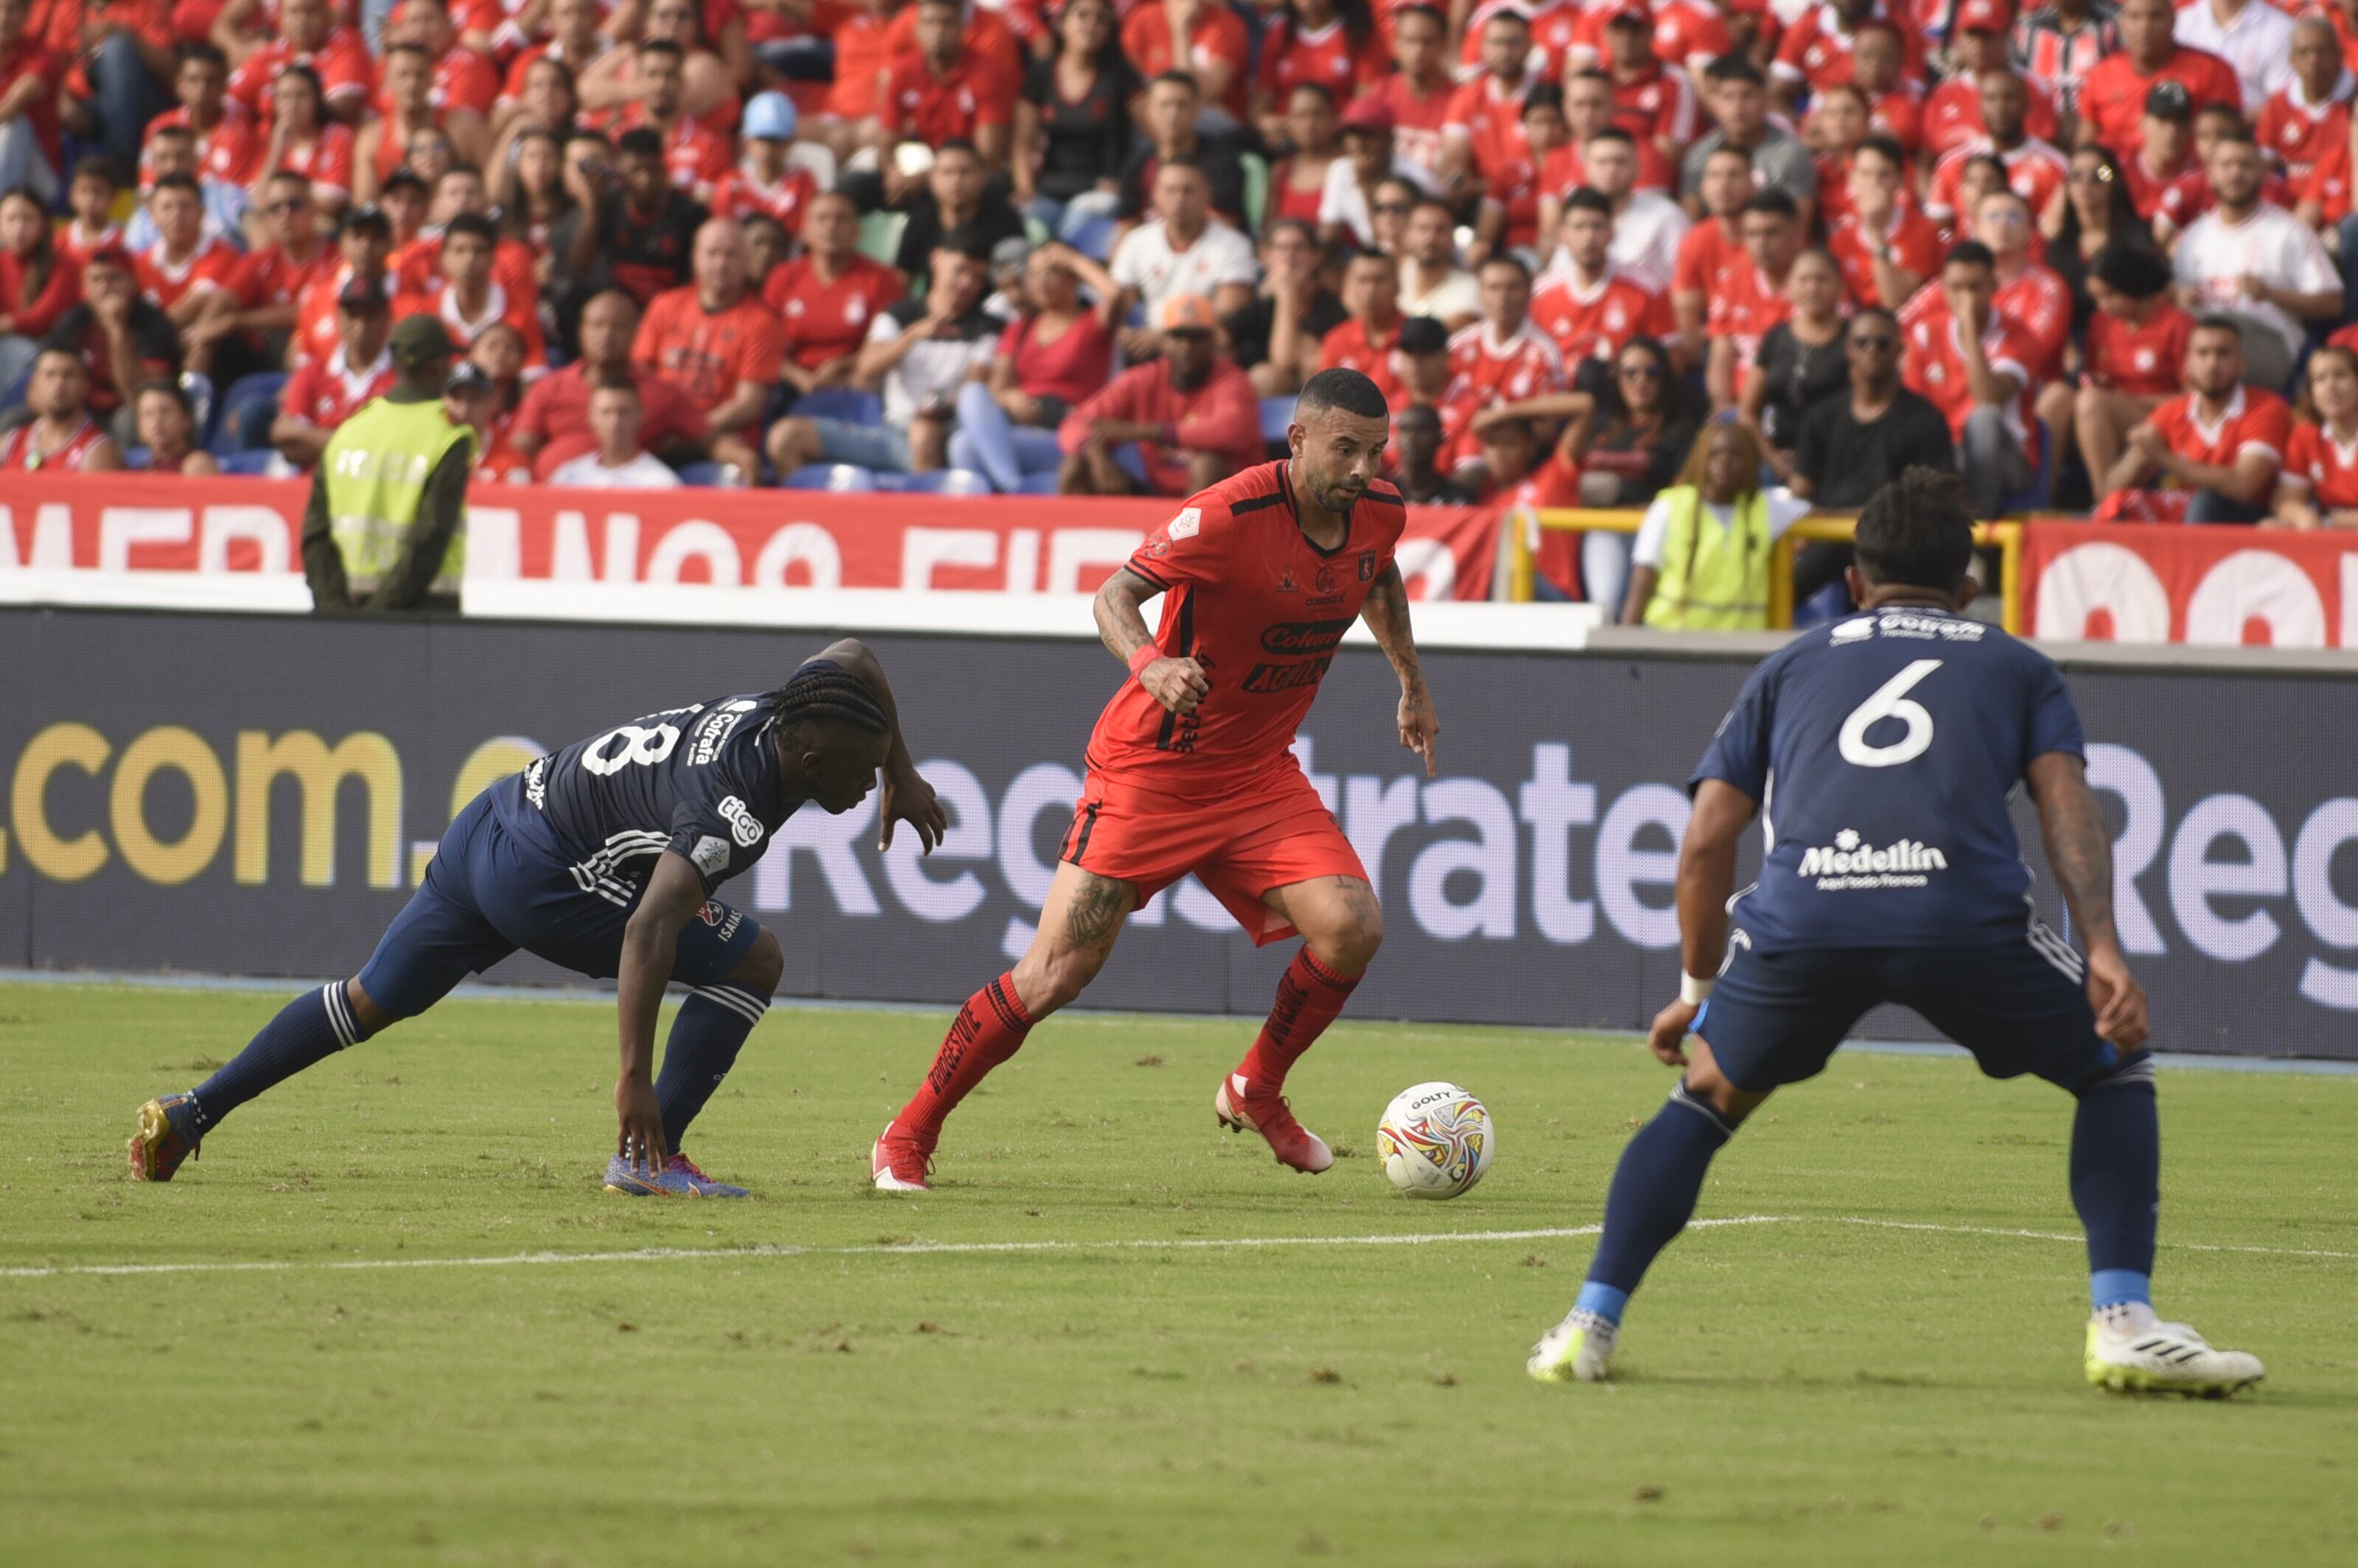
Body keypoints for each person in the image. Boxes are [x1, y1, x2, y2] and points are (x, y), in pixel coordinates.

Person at [1525, 466, 2265, 1399]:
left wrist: (1695, 994)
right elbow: (2067, 810)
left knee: (1705, 1097)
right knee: (2112, 1065)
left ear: (1852, 584)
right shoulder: (2013, 662)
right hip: (1957, 914)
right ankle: (2122, 1322)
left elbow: (1705, 842)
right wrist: (2105, 951)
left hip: (1805, 916)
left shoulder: (1788, 663)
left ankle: (1587, 1324)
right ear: (1967, 587)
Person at [872, 368, 1437, 1192]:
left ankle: (1255, 1088)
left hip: (1254, 776)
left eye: (1374, 452)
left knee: (1352, 925)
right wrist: (1151, 664)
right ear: (1298, 439)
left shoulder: (1378, 511)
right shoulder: (1227, 513)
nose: (1361, 469)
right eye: (1345, 449)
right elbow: (1112, 596)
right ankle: (908, 1130)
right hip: (1153, 769)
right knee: (1054, 973)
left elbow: (1376, 574)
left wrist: (1410, 681)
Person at [130, 644, 946, 1199]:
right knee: (755, 959)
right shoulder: (730, 807)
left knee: (370, 997)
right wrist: (631, 1079)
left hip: (496, 815)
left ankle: (191, 1111)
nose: (867, 784)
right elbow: (649, 930)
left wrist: (901, 769)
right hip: (547, 876)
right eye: (864, 770)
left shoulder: (789, 707)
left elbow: (854, 655)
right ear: (810, 762)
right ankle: (649, 1160)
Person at [766, 233, 999, 479]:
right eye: (960, 270)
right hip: (890, 433)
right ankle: (803, 515)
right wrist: (912, 337)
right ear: (937, 259)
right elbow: (868, 366)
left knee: (924, 434)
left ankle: (924, 516)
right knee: (786, 436)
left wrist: (942, 410)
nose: (966, 284)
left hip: (946, 435)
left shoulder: (988, 328)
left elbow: (976, 384)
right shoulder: (899, 314)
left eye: (977, 277)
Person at [300, 316, 476, 615]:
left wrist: (335, 611)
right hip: (421, 614)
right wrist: (379, 616)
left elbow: (315, 534)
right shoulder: (448, 436)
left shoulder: (349, 431)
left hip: (345, 611)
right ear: (437, 367)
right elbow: (429, 539)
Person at [1788, 309, 1957, 607]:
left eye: (1882, 343)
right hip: (1826, 536)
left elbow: (1931, 504)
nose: (1871, 350)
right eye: (1862, 342)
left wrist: (1835, 518)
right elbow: (1800, 496)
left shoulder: (1925, 420)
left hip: (1893, 541)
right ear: (1847, 349)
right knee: (1789, 572)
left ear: (1899, 350)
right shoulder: (1820, 416)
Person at [2172, 129, 2341, 393]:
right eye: (2226, 165)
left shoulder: (2290, 231)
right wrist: (2180, 297)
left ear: (2262, 173)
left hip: (2267, 343)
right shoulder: (2194, 236)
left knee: (2208, 346)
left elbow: (2333, 302)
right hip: (2206, 338)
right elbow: (2178, 298)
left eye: (2245, 165)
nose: (2236, 173)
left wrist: (2270, 294)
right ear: (2210, 175)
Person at [950, 242, 1117, 491]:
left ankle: (1011, 488)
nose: (1042, 282)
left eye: (1052, 272)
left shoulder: (1092, 323)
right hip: (1022, 425)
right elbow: (996, 390)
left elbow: (1118, 295)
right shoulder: (1019, 329)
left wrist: (1073, 260)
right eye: (1034, 274)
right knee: (972, 395)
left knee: (964, 446)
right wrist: (1010, 400)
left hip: (1069, 432)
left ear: (1073, 280)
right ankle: (1014, 486)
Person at [1055, 293, 1261, 495]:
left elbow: (1230, 431)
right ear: (1163, 341)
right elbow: (1075, 423)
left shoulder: (1233, 380)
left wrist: (1142, 431)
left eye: (1197, 337)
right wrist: (1094, 452)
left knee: (1207, 464)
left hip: (1230, 502)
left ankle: (1193, 529)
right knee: (1075, 466)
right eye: (1178, 336)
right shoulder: (1144, 378)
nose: (1187, 346)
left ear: (1213, 341)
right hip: (1159, 491)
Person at [515, 288, 727, 481]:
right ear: (582, 331)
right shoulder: (549, 386)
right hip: (552, 501)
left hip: (628, 497)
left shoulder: (665, 393)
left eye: (618, 326)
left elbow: (713, 441)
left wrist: (744, 459)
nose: (606, 335)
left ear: (636, 332)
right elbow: (519, 449)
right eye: (597, 325)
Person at [1620, 419, 1811, 629]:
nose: (1724, 461)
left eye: (1735, 454)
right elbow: (1640, 588)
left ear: (1751, 461)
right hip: (1672, 643)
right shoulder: (1669, 507)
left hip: (1741, 648)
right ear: (1700, 458)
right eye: (1714, 453)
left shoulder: (1767, 508)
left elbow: (1822, 516)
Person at [2098, 315, 2290, 522]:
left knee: (2204, 502)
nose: (2212, 363)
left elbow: (2243, 486)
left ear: (2241, 364)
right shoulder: (2170, 411)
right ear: (2187, 365)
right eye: (2203, 353)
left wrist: (2162, 457)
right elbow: (2109, 491)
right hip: (2186, 512)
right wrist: (2138, 458)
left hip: (2248, 517)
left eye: (2223, 353)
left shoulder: (2267, 407)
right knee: (2119, 503)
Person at [1900, 242, 2042, 519]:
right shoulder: (1925, 334)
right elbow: (1909, 408)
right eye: (1956, 288)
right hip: (1946, 453)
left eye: (1975, 288)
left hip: (2008, 459)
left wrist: (1970, 335)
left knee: (1984, 418)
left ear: (1993, 286)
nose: (1966, 298)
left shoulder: (2017, 335)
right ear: (1943, 288)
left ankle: (1974, 535)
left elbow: (1987, 397)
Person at [631, 217, 782, 457]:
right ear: (695, 258)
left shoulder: (763, 322)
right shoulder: (664, 306)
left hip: (721, 435)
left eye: (731, 255)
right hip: (661, 430)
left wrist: (689, 430)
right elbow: (640, 376)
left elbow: (748, 404)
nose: (721, 264)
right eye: (712, 254)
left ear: (746, 262)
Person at [2065, 241, 2194, 486]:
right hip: (2107, 417)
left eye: (2111, 295)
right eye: (2097, 298)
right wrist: (2099, 384)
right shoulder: (2101, 322)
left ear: (2133, 285)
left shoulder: (2177, 324)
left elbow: (2192, 400)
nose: (2103, 305)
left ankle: (2103, 497)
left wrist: (2127, 400)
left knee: (2091, 402)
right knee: (2073, 398)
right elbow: (2094, 374)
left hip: (2162, 419)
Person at [763, 190, 906, 401]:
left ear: (858, 232)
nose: (831, 226)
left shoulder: (881, 280)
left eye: (841, 219)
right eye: (822, 219)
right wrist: (801, 378)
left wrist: (844, 364)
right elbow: (764, 344)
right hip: (790, 381)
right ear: (805, 232)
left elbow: (887, 348)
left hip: (853, 379)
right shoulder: (783, 276)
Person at [1108, 157, 1256, 360]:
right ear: (1156, 196)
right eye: (1171, 190)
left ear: (1208, 195)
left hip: (1205, 347)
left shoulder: (1234, 245)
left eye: (1188, 191)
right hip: (1146, 347)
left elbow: (1228, 318)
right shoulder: (1136, 241)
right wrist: (1123, 332)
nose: (1179, 199)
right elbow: (1116, 303)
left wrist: (1165, 339)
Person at [1012, 0, 1135, 242]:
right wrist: (1025, 188)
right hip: (1049, 188)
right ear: (1062, 23)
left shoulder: (1120, 76)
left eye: (1101, 19)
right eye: (1082, 15)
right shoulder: (1041, 74)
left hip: (1100, 189)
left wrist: (1125, 182)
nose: (1090, 24)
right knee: (1026, 226)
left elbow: (1152, 133)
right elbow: (1022, 143)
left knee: (1078, 226)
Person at [2075, 0, 2244, 161]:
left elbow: (2231, 141)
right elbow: (2086, 146)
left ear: (2173, 20)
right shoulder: (2100, 75)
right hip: (2117, 179)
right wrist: (2107, 178)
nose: (2145, 26)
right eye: (2135, 17)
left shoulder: (2211, 70)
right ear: (2121, 23)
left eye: (2155, 16)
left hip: (2190, 178)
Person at [43, 244, 180, 424]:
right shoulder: (74, 320)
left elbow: (136, 394)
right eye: (95, 280)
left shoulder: (153, 323)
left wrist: (117, 329)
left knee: (127, 420)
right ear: (85, 285)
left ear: (132, 282)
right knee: (18, 417)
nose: (104, 288)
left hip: (133, 413)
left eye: (113, 279)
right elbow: (40, 384)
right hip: (81, 409)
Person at [1742, 248, 1848, 475]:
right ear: (1789, 286)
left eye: (1821, 279)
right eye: (1803, 280)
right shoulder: (1775, 337)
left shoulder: (1853, 339)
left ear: (1840, 285)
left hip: (1835, 458)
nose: (1812, 288)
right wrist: (1771, 458)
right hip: (1778, 456)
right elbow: (1747, 411)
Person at [1682, 55, 1817, 231]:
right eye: (1728, 97)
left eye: (1747, 95)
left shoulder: (1791, 154)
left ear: (1765, 100)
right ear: (1714, 103)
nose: (1738, 106)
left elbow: (1798, 228)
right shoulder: (1699, 155)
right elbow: (1691, 224)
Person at [273, 277, 395, 470]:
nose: (361, 325)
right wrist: (355, 445)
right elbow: (284, 435)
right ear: (339, 317)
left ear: (387, 318)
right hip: (313, 486)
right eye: (352, 315)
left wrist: (314, 438)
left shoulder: (400, 375)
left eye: (370, 316)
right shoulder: (315, 371)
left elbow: (390, 448)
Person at [1225, 218, 1346, 396]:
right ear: (1265, 256)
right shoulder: (1261, 304)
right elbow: (1223, 334)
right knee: (1263, 376)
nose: (1289, 257)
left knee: (1315, 364)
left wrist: (1287, 294)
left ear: (1316, 256)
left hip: (1320, 392)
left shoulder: (1331, 306)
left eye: (1298, 248)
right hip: (1276, 390)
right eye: (1281, 248)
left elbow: (1284, 361)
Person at [1705, 189, 1801, 414]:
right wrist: (1724, 408)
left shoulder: (1815, 279)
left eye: (1772, 233)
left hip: (1795, 407)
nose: (1761, 243)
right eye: (1752, 234)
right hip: (1739, 408)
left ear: (1797, 231)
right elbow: (1721, 354)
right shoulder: (1732, 282)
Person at [1827, 136, 1939, 311]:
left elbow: (1894, 302)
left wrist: (1876, 232)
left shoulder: (1922, 230)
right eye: (1865, 174)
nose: (1874, 183)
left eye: (1884, 174)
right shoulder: (1840, 240)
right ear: (1852, 179)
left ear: (1900, 180)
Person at [0, 183, 76, 391]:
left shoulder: (63, 264)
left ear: (43, 224)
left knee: (9, 349)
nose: (19, 228)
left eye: (27, 219)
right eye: (11, 219)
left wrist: (5, 324)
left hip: (47, 353)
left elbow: (42, 319)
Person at [2274, 344, 2358, 528]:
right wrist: (2303, 515)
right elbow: (2286, 500)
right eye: (2320, 379)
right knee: (2270, 527)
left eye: (2340, 375)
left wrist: (2329, 522)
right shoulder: (2305, 434)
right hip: (2328, 533)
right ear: (2311, 394)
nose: (2330, 386)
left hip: (2335, 528)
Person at [1, 346, 125, 471]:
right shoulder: (10, 444)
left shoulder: (98, 451)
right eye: (49, 375)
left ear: (85, 385)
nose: (59, 384)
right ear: (34, 384)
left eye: (69, 375)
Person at [546, 378, 684, 489]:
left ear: (640, 416)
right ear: (591, 418)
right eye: (606, 412)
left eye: (623, 412)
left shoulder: (660, 482)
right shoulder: (568, 477)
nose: (614, 421)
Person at [2172, 0, 2294, 118]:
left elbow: (2281, 106)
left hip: (2249, 132)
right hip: (2185, 127)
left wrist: (2228, 122)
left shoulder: (2280, 29)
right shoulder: (2181, 24)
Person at [1396, 196, 1480, 329]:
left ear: (1453, 237)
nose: (1431, 238)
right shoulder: (1393, 279)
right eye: (1422, 228)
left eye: (1440, 229)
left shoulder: (1471, 287)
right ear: (1407, 235)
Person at [1390, 402, 1474, 503]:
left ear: (1440, 439)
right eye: (1405, 430)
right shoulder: (1384, 497)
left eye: (1422, 430)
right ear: (1396, 439)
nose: (1412, 438)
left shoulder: (1458, 499)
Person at [132, 377, 219, 475]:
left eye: (166, 411)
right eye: (148, 414)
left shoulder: (197, 464)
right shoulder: (141, 469)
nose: (157, 421)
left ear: (186, 419)